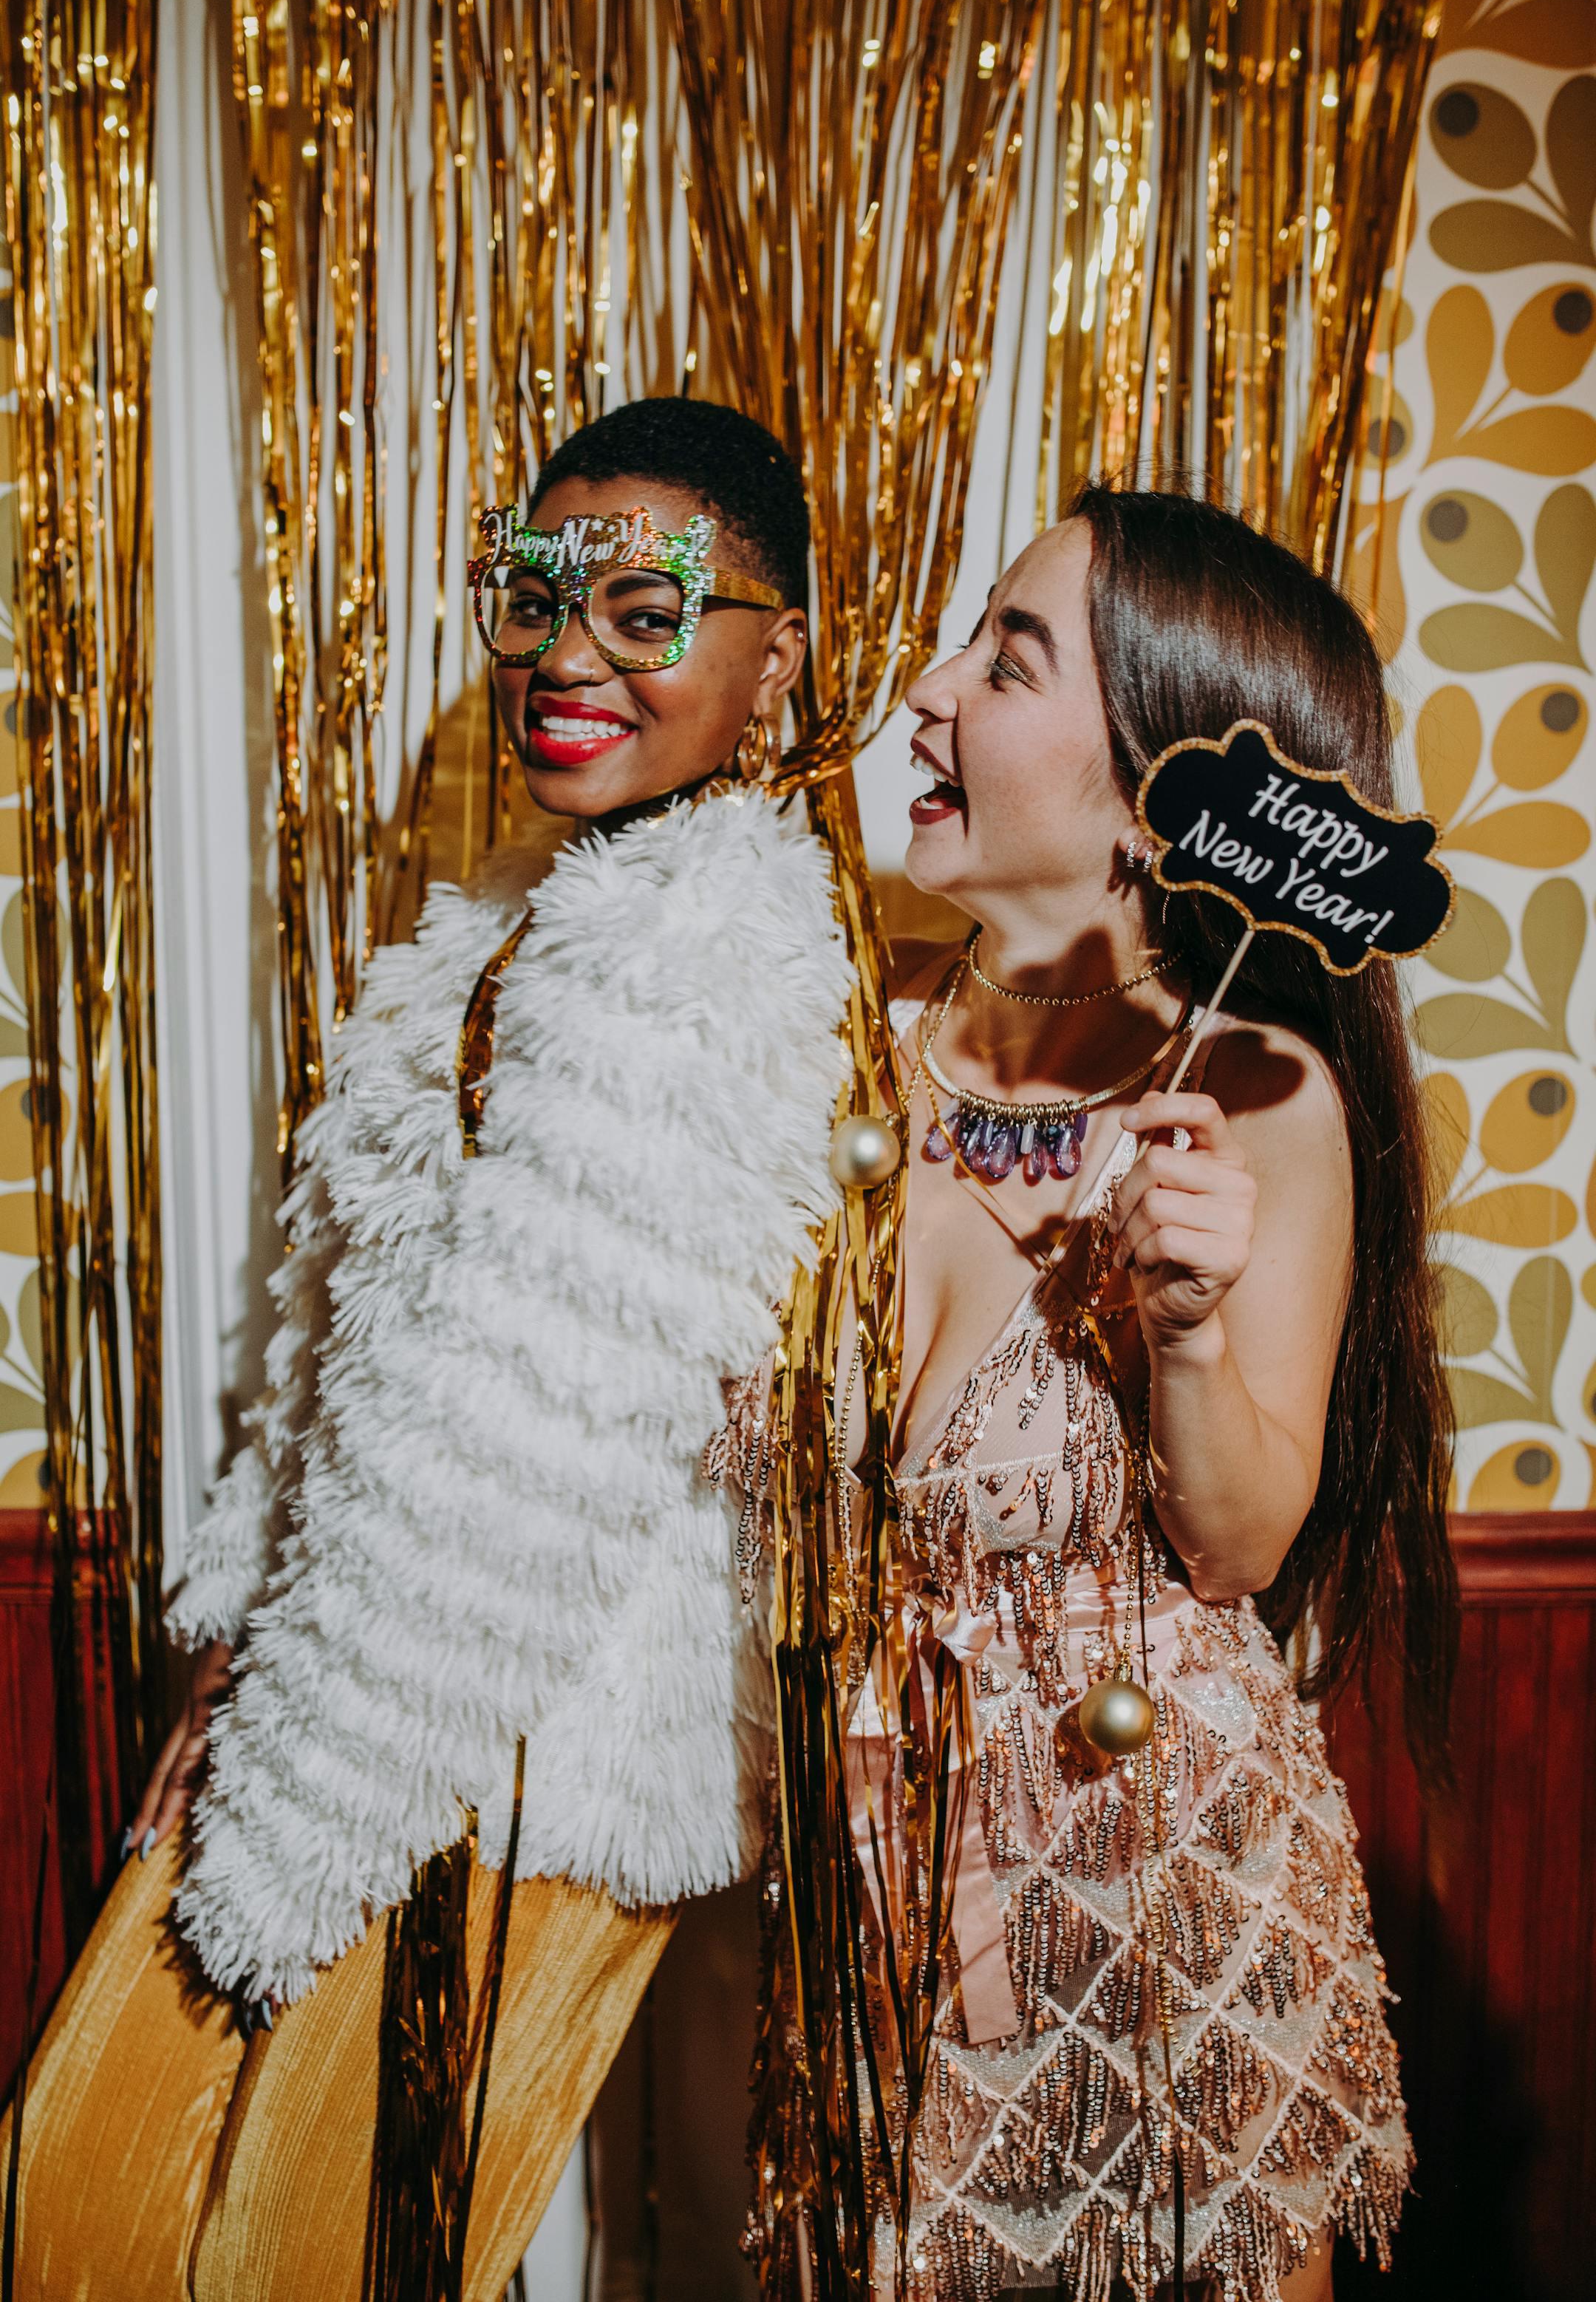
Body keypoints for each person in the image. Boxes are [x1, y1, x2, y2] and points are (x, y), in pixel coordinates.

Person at [4, 396, 854, 2301]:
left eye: (649, 614)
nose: (570, 658)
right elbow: (341, 1359)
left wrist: (287, 1809)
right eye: (535, 600)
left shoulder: (709, 963)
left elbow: (516, 1451)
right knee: (95, 2211)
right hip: (346, 1703)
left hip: (482, 1744)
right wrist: (236, 1643)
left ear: (773, 650)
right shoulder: (504, 933)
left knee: (258, 2261)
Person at [727, 486, 1456, 2300]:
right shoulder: (817, 1033)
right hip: (865, 1897)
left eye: (1005, 656)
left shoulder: (1259, 1094)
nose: (926, 688)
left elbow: (1234, 1550)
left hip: (1158, 1906)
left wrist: (1192, 1324)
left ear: (1153, 801)